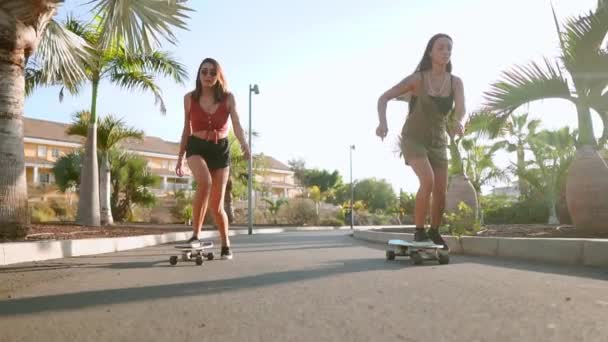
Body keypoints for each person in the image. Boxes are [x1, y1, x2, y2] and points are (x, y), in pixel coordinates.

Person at [376, 33, 466, 249]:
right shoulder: (418, 79)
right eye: (441, 48)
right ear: (430, 52)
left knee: (441, 192)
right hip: (414, 139)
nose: (446, 52)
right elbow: (383, 97)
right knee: (428, 181)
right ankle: (419, 231)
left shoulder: (455, 82)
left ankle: (434, 232)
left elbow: (461, 109)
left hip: (438, 142)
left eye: (449, 49)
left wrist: (458, 122)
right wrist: (382, 123)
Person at [176, 57, 250, 260]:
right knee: (204, 182)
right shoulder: (189, 98)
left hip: (220, 150)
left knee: (217, 207)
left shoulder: (228, 98)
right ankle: (195, 235)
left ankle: (225, 243)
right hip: (196, 147)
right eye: (204, 72)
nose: (208, 76)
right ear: (199, 75)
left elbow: (236, 123)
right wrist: (180, 156)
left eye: (212, 72)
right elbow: (185, 129)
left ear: (218, 76)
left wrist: (244, 145)